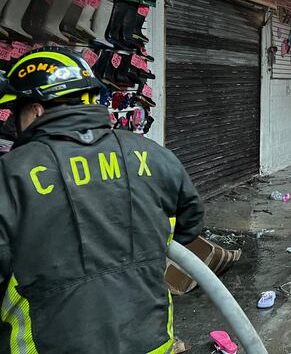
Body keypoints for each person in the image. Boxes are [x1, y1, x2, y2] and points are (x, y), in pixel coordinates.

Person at [0, 47, 204, 353]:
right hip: (150, 339)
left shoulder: (12, 175)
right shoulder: (152, 155)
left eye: (17, 111)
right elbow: (190, 224)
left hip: (46, 344)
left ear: (37, 110)